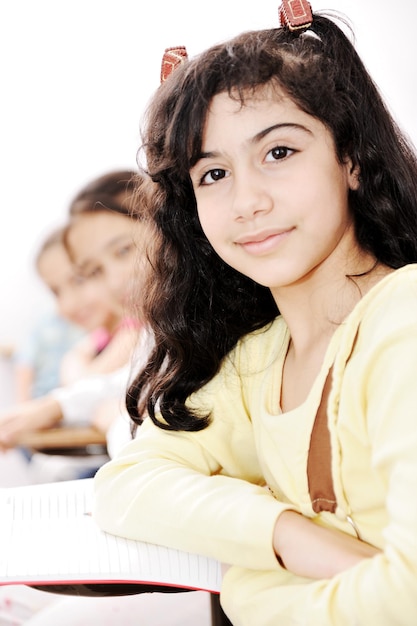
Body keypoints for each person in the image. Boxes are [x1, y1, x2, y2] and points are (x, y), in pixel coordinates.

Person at [93, 4, 417, 625]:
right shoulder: (263, 355)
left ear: (349, 158)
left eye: (279, 153)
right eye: (212, 173)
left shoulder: (402, 321)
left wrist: (251, 590)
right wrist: (289, 536)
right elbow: (127, 486)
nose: (246, 202)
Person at [0, 170, 145, 459]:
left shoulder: (138, 326)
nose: (114, 281)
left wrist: (112, 420)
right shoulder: (148, 330)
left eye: (123, 250)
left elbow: (154, 451)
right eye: (95, 270)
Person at [13, 225, 119, 401]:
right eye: (56, 292)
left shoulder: (135, 328)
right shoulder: (100, 336)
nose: (68, 304)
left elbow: (80, 390)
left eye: (79, 280)